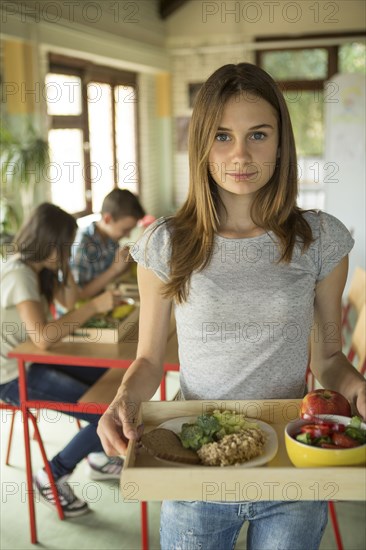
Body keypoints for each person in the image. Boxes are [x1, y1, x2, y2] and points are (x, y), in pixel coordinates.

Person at [97, 63, 366, 549]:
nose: (240, 154)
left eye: (258, 135)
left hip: (292, 463)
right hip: (193, 462)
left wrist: (359, 389)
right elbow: (150, 360)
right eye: (222, 135)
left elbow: (328, 359)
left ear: (281, 143)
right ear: (201, 144)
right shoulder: (166, 243)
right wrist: (123, 399)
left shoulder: (321, 238)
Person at [0, 203, 125, 518]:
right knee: (106, 411)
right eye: (66, 244)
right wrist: (94, 307)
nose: (70, 249)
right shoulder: (19, 273)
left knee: (114, 383)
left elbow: (69, 300)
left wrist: (64, 263)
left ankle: (96, 456)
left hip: (33, 361)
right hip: (10, 376)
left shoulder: (38, 271)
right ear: (49, 241)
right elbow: (43, 336)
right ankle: (51, 475)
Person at [70, 188, 145, 299]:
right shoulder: (83, 244)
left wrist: (126, 262)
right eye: (125, 230)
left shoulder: (111, 239)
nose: (128, 236)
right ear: (107, 219)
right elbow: (79, 295)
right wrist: (114, 269)